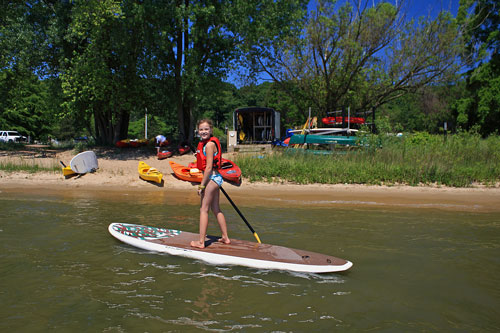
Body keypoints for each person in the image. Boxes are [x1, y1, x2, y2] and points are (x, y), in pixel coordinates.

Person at [190, 119, 230, 249]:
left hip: (211, 178)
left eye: (206, 129)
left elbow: (207, 169)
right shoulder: (207, 144)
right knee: (216, 208)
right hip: (216, 178)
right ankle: (225, 237)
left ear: (211, 130)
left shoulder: (209, 145)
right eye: (201, 129)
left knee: (203, 209)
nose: (204, 132)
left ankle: (201, 242)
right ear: (198, 131)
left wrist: (202, 185)